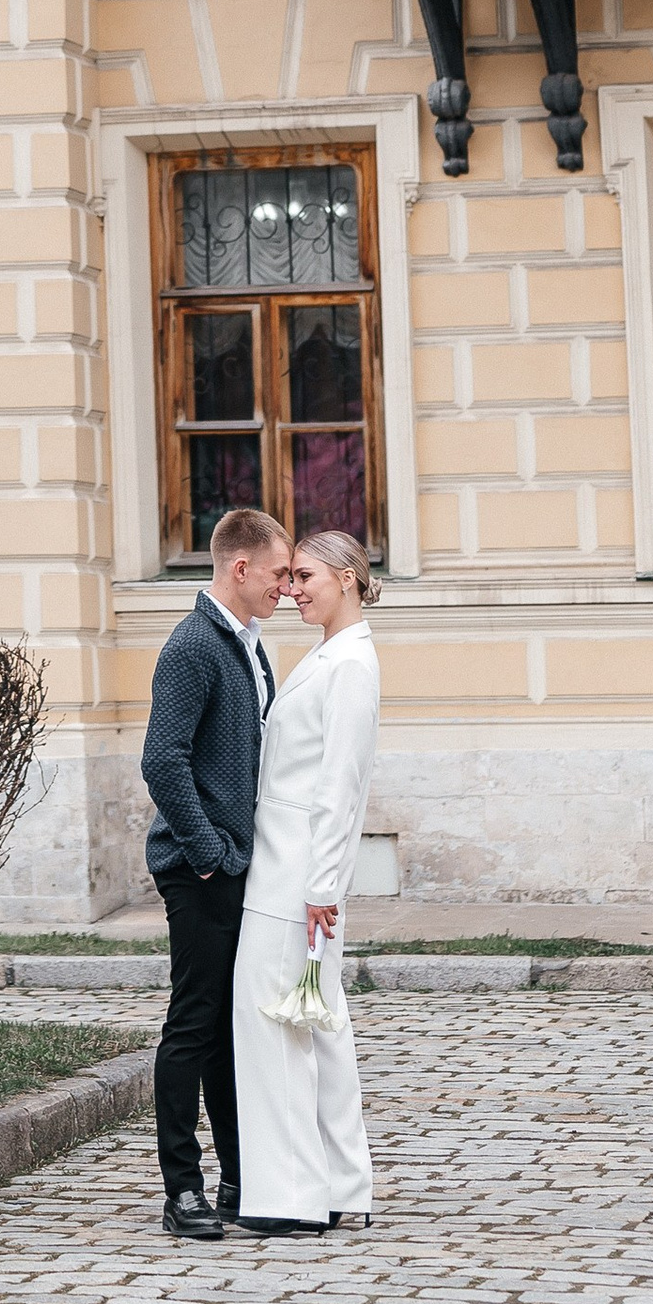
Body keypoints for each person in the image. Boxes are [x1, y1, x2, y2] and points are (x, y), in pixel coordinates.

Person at [137, 504, 292, 1243]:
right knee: (193, 1025)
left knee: (231, 1028)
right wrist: (208, 853)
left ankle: (237, 1178)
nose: (286, 586)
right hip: (200, 868)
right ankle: (182, 1190)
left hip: (237, 863)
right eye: (278, 573)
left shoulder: (248, 645)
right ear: (240, 566)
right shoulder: (194, 645)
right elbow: (161, 760)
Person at [228, 527, 382, 1237]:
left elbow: (340, 786)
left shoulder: (349, 664)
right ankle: (339, 1181)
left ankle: (293, 1195)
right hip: (286, 866)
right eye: (289, 578)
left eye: (306, 576)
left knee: (279, 1026)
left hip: (296, 878)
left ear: (348, 578)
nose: (292, 590)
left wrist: (322, 886)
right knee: (317, 1025)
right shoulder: (328, 654)